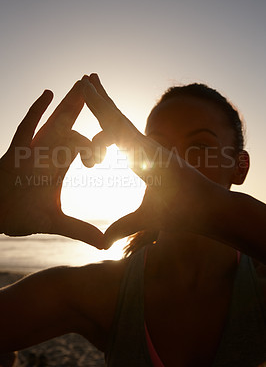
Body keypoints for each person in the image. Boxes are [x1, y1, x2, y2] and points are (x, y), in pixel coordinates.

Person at [0, 74, 266, 367]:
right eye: (158, 148)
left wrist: (210, 204)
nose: (172, 165)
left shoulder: (259, 284)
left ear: (240, 169)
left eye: (200, 147)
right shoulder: (105, 292)